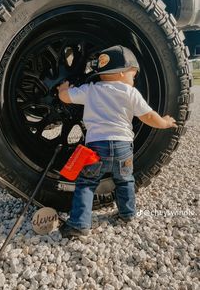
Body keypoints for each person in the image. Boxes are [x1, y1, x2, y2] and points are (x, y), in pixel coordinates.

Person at [57, 45, 177, 238]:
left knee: (86, 184)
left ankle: (79, 224)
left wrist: (63, 89)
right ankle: (127, 214)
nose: (134, 78)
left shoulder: (91, 90)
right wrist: (164, 122)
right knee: (125, 180)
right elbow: (148, 116)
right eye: (133, 74)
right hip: (123, 148)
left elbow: (66, 98)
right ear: (121, 73)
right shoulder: (130, 93)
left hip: (96, 149)